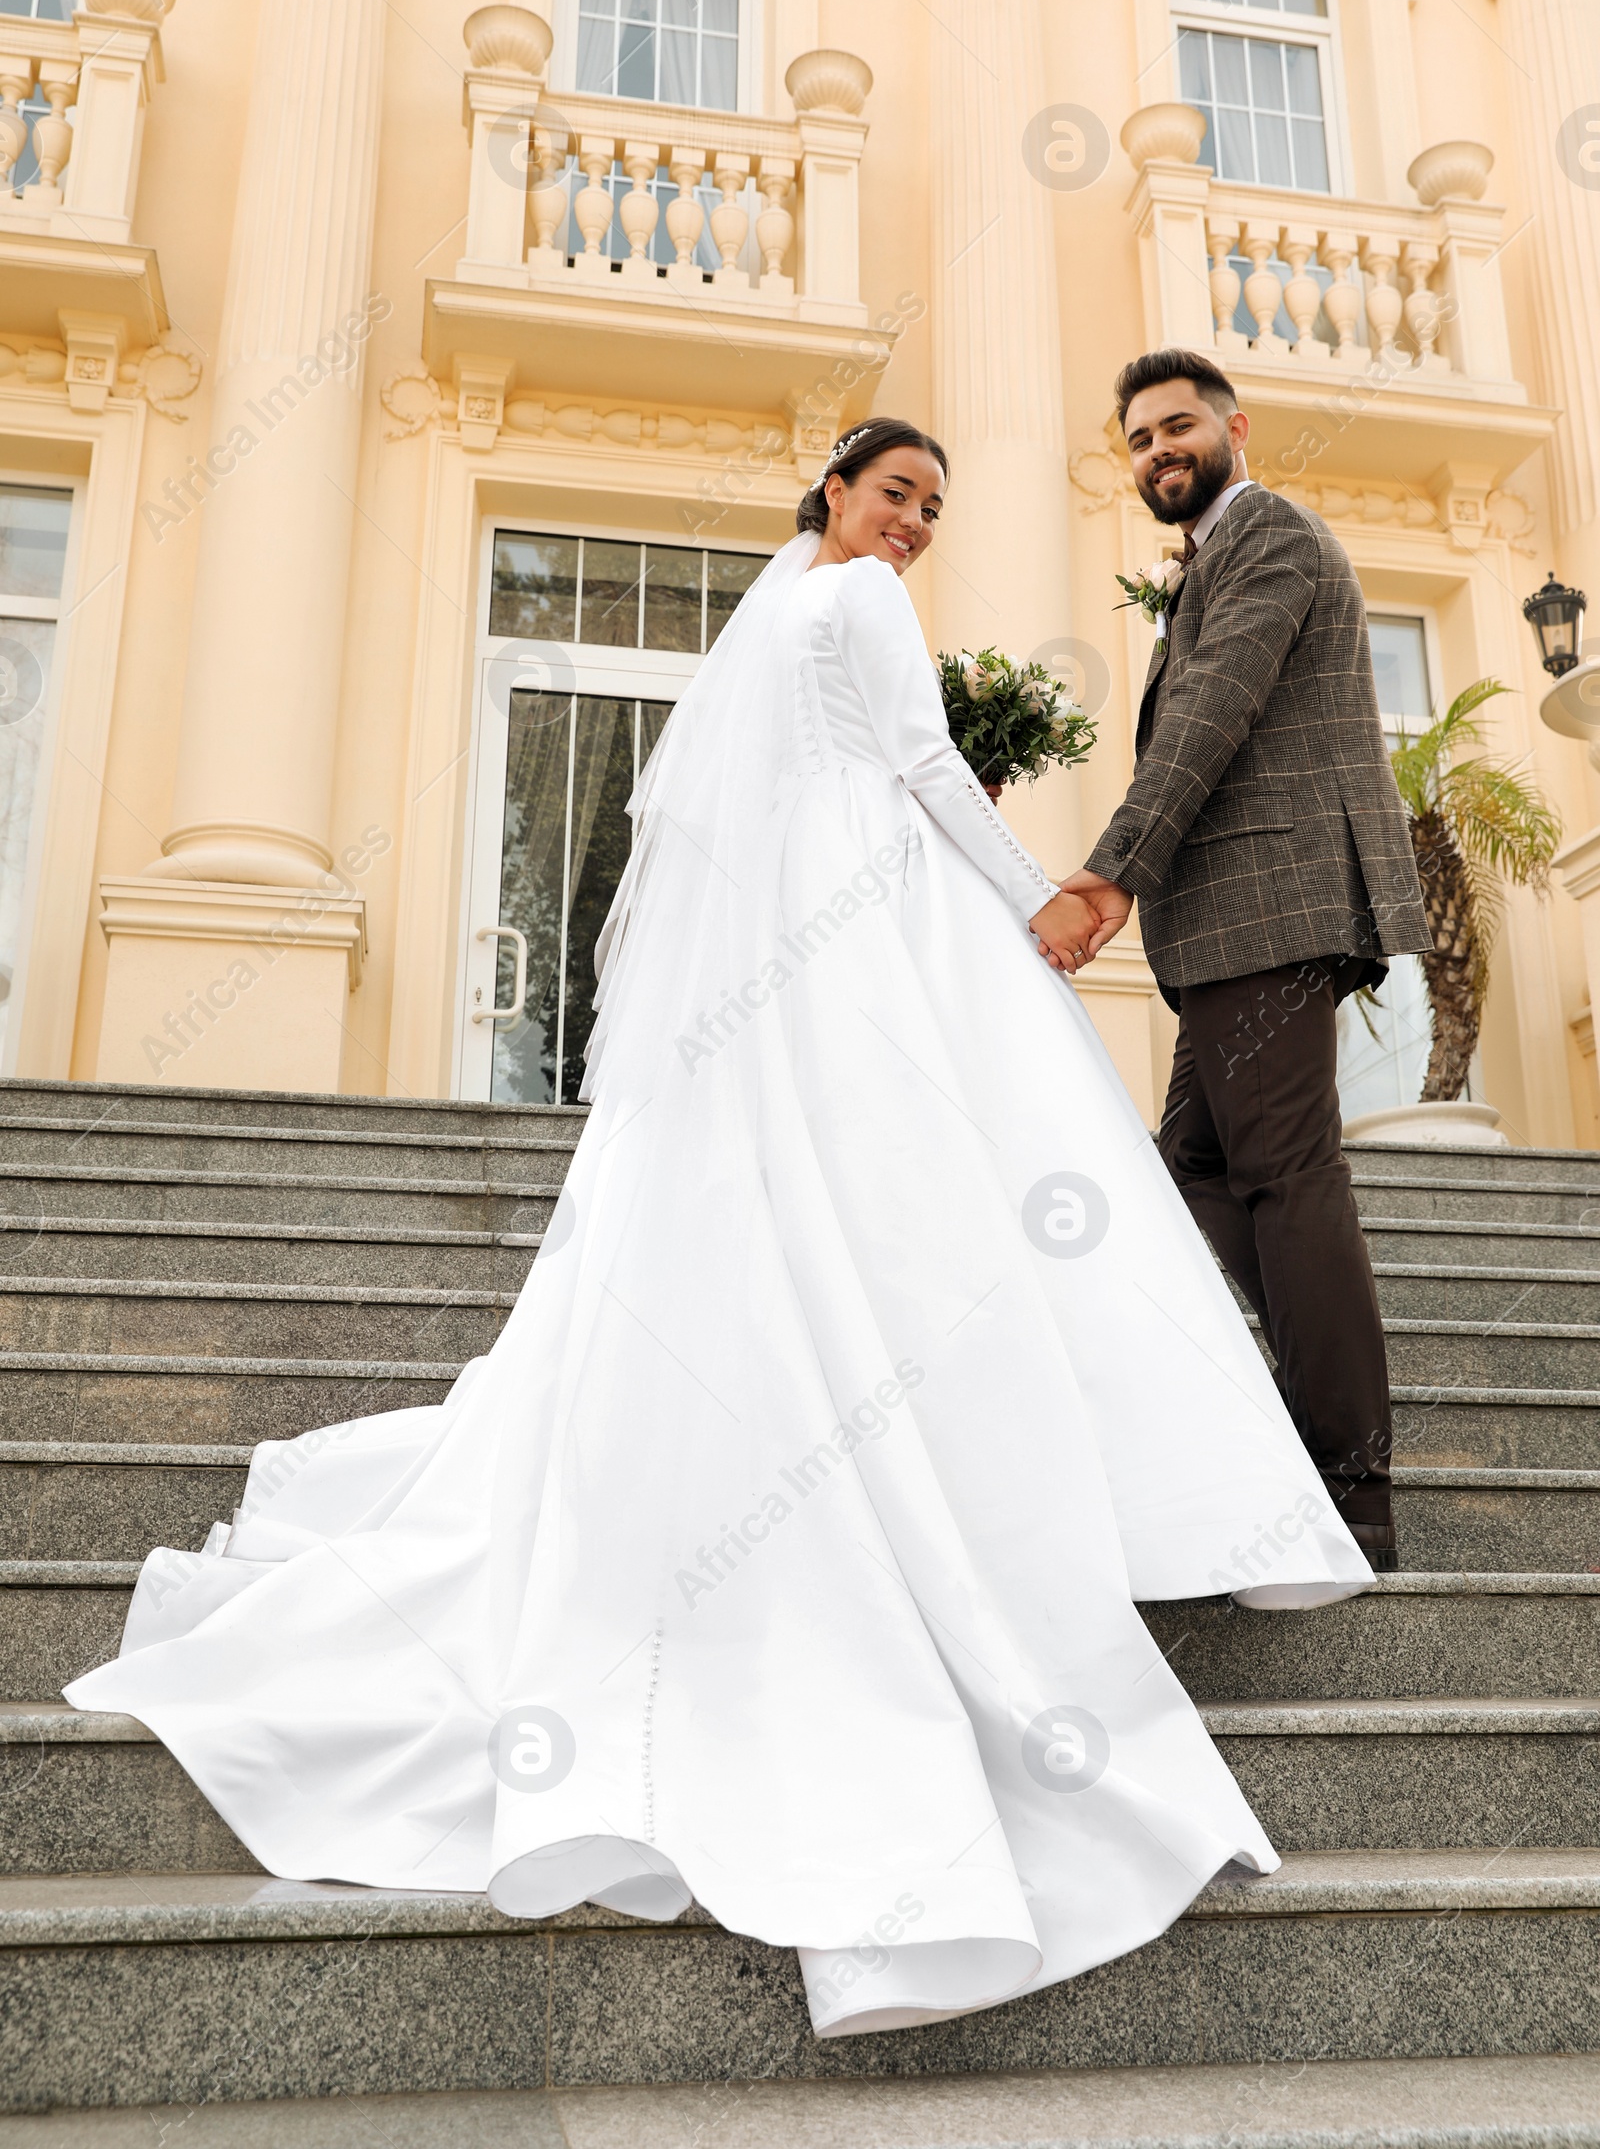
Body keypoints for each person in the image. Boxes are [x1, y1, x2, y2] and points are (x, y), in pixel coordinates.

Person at [67, 416, 1369, 2039]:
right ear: (836, 488)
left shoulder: (775, 614)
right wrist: (1040, 896)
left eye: (935, 510)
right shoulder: (865, 609)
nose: (914, 524)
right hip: (877, 916)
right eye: (897, 493)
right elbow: (918, 767)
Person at [1055, 351, 1433, 1571]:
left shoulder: (1264, 533)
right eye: (1139, 439)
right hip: (1235, 918)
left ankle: (1349, 1483)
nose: (1158, 449)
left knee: (1282, 1174)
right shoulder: (1211, 554)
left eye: (1177, 427)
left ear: (1234, 428)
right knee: (1192, 1171)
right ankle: (1289, 1420)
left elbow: (1211, 709)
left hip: (1267, 905)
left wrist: (1110, 874)